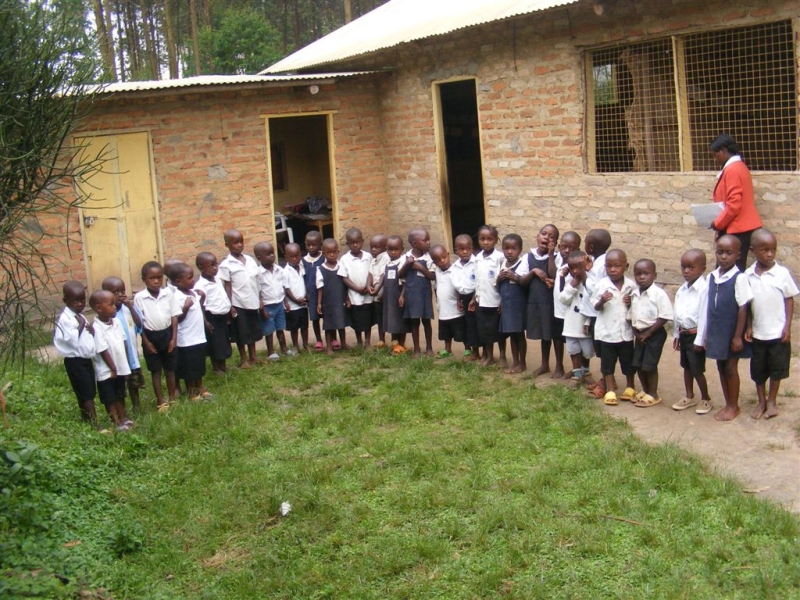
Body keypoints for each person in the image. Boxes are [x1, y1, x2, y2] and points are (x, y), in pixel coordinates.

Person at [695, 235, 753, 421]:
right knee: (720, 366)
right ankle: (728, 403)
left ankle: (733, 406)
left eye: (729, 253)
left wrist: (737, 336)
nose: (724, 257)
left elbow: (743, 307)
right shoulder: (712, 277)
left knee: (730, 367)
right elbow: (706, 307)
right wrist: (704, 335)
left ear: (738, 255)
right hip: (716, 331)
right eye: (720, 252)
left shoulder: (739, 278)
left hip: (731, 331)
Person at [744, 229, 798, 419]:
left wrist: (787, 326)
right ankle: (761, 401)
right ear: (752, 251)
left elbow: (789, 299)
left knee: (777, 369)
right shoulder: (748, 275)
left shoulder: (781, 274)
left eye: (773, 250)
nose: (769, 254)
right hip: (758, 333)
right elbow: (748, 304)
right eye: (764, 250)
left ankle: (772, 401)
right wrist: (749, 326)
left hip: (777, 333)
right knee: (758, 370)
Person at [624, 259, 673, 408]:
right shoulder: (634, 294)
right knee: (638, 364)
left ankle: (653, 394)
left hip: (654, 333)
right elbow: (631, 316)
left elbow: (665, 316)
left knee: (649, 365)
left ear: (654, 275)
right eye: (638, 274)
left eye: (646, 273)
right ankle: (645, 390)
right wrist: (636, 333)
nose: (642, 277)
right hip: (639, 334)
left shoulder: (658, 294)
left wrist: (650, 332)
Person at [590, 249, 636, 406]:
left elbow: (637, 307)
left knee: (628, 363)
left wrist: (631, 303)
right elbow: (595, 307)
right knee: (607, 364)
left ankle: (630, 387)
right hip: (607, 334)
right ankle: (610, 390)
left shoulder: (631, 286)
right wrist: (602, 300)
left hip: (625, 334)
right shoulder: (602, 285)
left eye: (617, 266)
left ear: (626, 266)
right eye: (609, 266)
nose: (613, 270)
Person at [710, 134, 762, 270]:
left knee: (728, 269)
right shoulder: (738, 167)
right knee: (732, 268)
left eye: (715, 155)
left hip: (737, 227)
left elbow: (734, 204)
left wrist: (718, 223)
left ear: (723, 150)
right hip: (739, 226)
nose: (715, 159)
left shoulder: (733, 169)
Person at [133, 261, 180, 411]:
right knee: (156, 370)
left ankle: (172, 398)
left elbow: (174, 316)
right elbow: (140, 323)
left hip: (167, 334)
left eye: (159, 277)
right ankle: (161, 401)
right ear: (144, 279)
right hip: (151, 336)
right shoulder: (139, 298)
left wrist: (173, 338)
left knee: (170, 369)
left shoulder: (168, 294)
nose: (156, 281)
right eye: (152, 278)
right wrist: (146, 342)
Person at [671, 249, 713, 415]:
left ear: (702, 269)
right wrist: (676, 334)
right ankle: (689, 396)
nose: (686, 271)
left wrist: (700, 339)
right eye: (683, 267)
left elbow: (704, 316)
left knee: (697, 369)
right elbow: (677, 313)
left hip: (696, 335)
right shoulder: (682, 289)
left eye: (691, 268)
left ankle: (706, 398)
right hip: (684, 333)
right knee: (686, 366)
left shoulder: (704, 289)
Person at [53, 281, 97, 426]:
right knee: (85, 391)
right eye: (75, 301)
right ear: (65, 300)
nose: (80, 304)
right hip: (75, 361)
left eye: (83, 300)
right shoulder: (66, 319)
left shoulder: (80, 316)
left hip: (85, 359)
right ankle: (93, 422)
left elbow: (86, 336)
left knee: (88, 388)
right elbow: (70, 338)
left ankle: (86, 418)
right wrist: (81, 326)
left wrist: (91, 331)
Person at [89, 289, 133, 431]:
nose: (115, 307)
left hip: (120, 367)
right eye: (110, 305)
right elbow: (103, 350)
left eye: (114, 304)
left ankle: (123, 417)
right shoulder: (96, 327)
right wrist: (113, 368)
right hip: (107, 371)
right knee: (110, 397)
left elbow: (124, 341)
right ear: (99, 308)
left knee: (120, 394)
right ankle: (116, 421)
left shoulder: (117, 322)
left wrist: (125, 364)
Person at [219, 229, 262, 368]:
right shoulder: (226, 265)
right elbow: (227, 286)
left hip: (252, 301)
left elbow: (257, 281)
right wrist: (230, 305)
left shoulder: (250, 260)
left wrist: (260, 298)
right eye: (235, 242)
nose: (239, 245)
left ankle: (253, 356)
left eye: (241, 241)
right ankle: (244, 359)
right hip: (238, 303)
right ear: (227, 245)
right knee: (241, 331)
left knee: (253, 329)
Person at [101, 276, 144, 412]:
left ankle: (136, 407)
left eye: (122, 291)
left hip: (132, 356)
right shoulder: (110, 314)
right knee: (120, 385)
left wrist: (130, 306)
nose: (120, 295)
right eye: (115, 292)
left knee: (134, 383)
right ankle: (122, 411)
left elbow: (139, 324)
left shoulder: (127, 309)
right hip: (118, 358)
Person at [522, 224, 559, 376]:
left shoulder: (557, 257)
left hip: (552, 303)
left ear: (555, 243)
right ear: (537, 236)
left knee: (554, 334)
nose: (547, 237)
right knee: (544, 333)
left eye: (552, 237)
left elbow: (553, 274)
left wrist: (550, 255)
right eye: (544, 234)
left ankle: (559, 366)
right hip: (536, 301)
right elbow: (522, 281)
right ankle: (545, 364)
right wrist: (533, 271)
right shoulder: (528, 257)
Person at [172, 263, 210, 400]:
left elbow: (199, 309)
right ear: (178, 281)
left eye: (193, 277)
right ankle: (191, 391)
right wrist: (186, 307)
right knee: (189, 367)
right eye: (189, 278)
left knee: (199, 364)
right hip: (186, 339)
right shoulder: (176, 297)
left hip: (198, 336)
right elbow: (177, 318)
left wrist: (202, 298)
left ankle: (200, 386)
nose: (193, 280)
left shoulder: (193, 292)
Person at [582, 228, 612, 396]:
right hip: (593, 314)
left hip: (599, 314)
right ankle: (605, 379)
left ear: (591, 247)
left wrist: (584, 274)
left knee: (603, 350)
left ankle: (607, 381)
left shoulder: (602, 265)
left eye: (586, 243)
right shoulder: (596, 262)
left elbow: (596, 289)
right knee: (599, 349)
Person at [470, 225, 506, 367]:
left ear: (496, 240)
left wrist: (502, 300)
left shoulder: (500, 258)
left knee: (499, 330)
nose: (485, 242)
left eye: (489, 239)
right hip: (481, 300)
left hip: (495, 301)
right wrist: (474, 298)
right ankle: (489, 356)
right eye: (482, 239)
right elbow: (477, 281)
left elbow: (503, 281)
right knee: (485, 330)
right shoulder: (477, 258)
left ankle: (502, 355)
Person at [398, 228, 435, 357]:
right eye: (425, 240)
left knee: (426, 321)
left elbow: (432, 276)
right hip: (411, 295)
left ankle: (429, 348)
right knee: (414, 322)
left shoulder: (429, 258)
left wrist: (421, 268)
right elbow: (399, 275)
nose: (428, 243)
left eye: (429, 240)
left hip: (425, 294)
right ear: (415, 243)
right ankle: (417, 349)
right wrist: (407, 264)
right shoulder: (405, 258)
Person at [194, 252, 232, 374]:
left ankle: (223, 365)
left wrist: (228, 311)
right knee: (215, 343)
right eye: (211, 266)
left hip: (222, 315)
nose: (215, 268)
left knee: (223, 341)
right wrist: (205, 322)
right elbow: (201, 306)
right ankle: (216, 367)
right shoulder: (201, 285)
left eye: (216, 264)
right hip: (211, 317)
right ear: (201, 268)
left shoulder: (217, 278)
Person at [559, 250, 593, 384]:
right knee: (573, 350)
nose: (575, 271)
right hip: (571, 324)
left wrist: (589, 321)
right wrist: (572, 284)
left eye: (578, 267)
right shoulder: (570, 281)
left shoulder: (590, 281)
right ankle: (577, 374)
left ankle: (586, 371)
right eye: (572, 268)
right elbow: (563, 299)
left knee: (587, 350)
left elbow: (593, 301)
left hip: (584, 324)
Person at [497, 233, 529, 373]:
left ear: (520, 250)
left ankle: (522, 363)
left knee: (519, 334)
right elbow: (499, 286)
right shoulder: (502, 264)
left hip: (518, 305)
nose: (509, 252)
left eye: (513, 248)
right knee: (512, 334)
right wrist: (499, 278)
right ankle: (515, 361)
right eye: (506, 248)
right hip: (507, 304)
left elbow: (525, 283)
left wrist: (514, 277)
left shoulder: (522, 264)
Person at [551, 231, 581, 379]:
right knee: (557, 338)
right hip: (558, 310)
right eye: (564, 247)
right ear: (559, 247)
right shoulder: (558, 261)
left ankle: (579, 369)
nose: (567, 251)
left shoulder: (578, 267)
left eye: (572, 248)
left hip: (572, 313)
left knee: (576, 341)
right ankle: (559, 365)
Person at [340, 228, 374, 349]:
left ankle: (367, 341)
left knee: (368, 318)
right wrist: (357, 289)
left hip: (368, 294)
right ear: (347, 244)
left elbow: (371, 272)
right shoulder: (344, 259)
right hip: (354, 295)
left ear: (362, 241)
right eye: (352, 242)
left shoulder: (368, 256)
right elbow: (344, 278)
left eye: (358, 242)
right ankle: (359, 341)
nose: (355, 245)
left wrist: (368, 285)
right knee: (357, 320)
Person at [254, 241, 288, 360]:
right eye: (268, 254)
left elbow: (283, 287)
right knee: (269, 330)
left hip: (279, 304)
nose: (272, 255)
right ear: (259, 258)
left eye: (272, 253)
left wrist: (286, 302)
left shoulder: (279, 270)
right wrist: (262, 309)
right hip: (267, 306)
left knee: (280, 328)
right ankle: (271, 352)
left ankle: (284, 348)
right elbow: (258, 292)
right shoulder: (258, 273)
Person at [430, 244, 465, 358]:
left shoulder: (455, 270)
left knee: (461, 331)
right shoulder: (437, 272)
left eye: (444, 257)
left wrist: (459, 300)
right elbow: (436, 288)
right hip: (443, 309)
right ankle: (447, 349)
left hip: (455, 308)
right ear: (434, 262)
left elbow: (459, 287)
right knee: (446, 333)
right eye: (438, 260)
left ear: (448, 255)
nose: (442, 261)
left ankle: (467, 349)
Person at [316, 238, 348, 354]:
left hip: (339, 300)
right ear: (323, 254)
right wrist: (319, 303)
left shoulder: (341, 266)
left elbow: (345, 284)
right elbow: (320, 287)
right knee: (329, 325)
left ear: (338, 252)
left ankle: (343, 343)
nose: (332, 254)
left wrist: (347, 298)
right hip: (327, 302)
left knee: (341, 323)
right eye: (329, 252)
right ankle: (329, 347)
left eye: (334, 252)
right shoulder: (320, 269)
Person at [451, 234, 479, 361]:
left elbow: (479, 282)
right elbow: (456, 285)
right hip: (463, 298)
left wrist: (473, 298)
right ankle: (473, 351)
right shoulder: (455, 266)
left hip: (475, 297)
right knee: (467, 325)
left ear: (472, 248)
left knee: (475, 325)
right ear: (456, 250)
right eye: (461, 249)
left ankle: (480, 352)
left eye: (468, 249)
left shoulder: (476, 263)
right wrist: (458, 300)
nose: (465, 252)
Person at [382, 235, 409, 353]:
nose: (393, 252)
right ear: (386, 249)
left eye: (396, 249)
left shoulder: (403, 261)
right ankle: (395, 343)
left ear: (402, 249)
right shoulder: (387, 262)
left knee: (401, 320)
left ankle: (401, 344)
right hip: (389, 296)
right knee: (392, 319)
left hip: (399, 295)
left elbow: (405, 282)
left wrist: (402, 295)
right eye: (390, 249)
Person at [282, 243, 309, 353]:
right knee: (294, 327)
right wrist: (296, 300)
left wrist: (306, 295)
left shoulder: (302, 268)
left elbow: (305, 282)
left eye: (297, 256)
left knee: (304, 326)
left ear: (300, 255)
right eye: (291, 256)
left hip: (303, 304)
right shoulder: (285, 272)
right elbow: (286, 289)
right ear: (286, 257)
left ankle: (306, 345)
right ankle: (295, 346)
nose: (294, 259)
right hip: (293, 305)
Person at [302, 231, 326, 351]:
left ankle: (332, 338)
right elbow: (302, 278)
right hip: (311, 294)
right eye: (308, 245)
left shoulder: (324, 258)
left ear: (320, 244)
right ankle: (319, 340)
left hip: (325, 293)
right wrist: (306, 293)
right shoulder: (303, 261)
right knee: (315, 318)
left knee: (327, 316)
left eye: (314, 245)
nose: (311, 247)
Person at [367, 234, 390, 347]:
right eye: (371, 247)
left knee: (389, 317)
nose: (373, 249)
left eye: (376, 247)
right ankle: (381, 339)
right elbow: (370, 274)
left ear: (385, 247)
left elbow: (383, 276)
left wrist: (379, 290)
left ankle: (394, 338)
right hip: (376, 293)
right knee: (379, 317)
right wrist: (368, 285)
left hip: (384, 292)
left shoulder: (386, 257)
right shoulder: (373, 260)